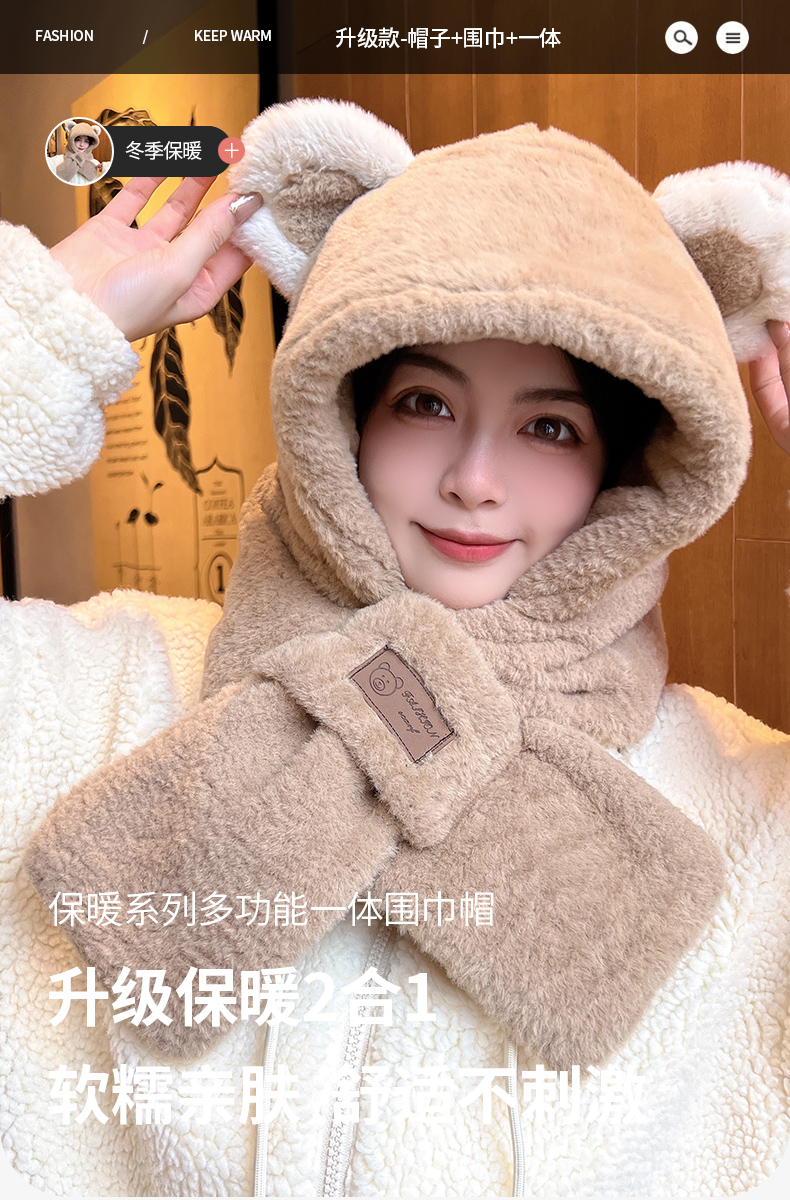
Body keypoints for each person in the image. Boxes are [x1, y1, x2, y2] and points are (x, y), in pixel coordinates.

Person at [3, 100, 790, 1197]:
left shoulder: (744, 811)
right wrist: (35, 336)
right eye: (424, 402)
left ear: (625, 473)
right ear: (345, 417)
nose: (474, 478)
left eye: (549, 427)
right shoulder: (98, 689)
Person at [49, 120, 109, 186]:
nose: (82, 144)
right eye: (78, 140)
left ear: (90, 144)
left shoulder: (95, 164)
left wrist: (105, 168)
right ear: (71, 140)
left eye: (86, 141)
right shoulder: (56, 161)